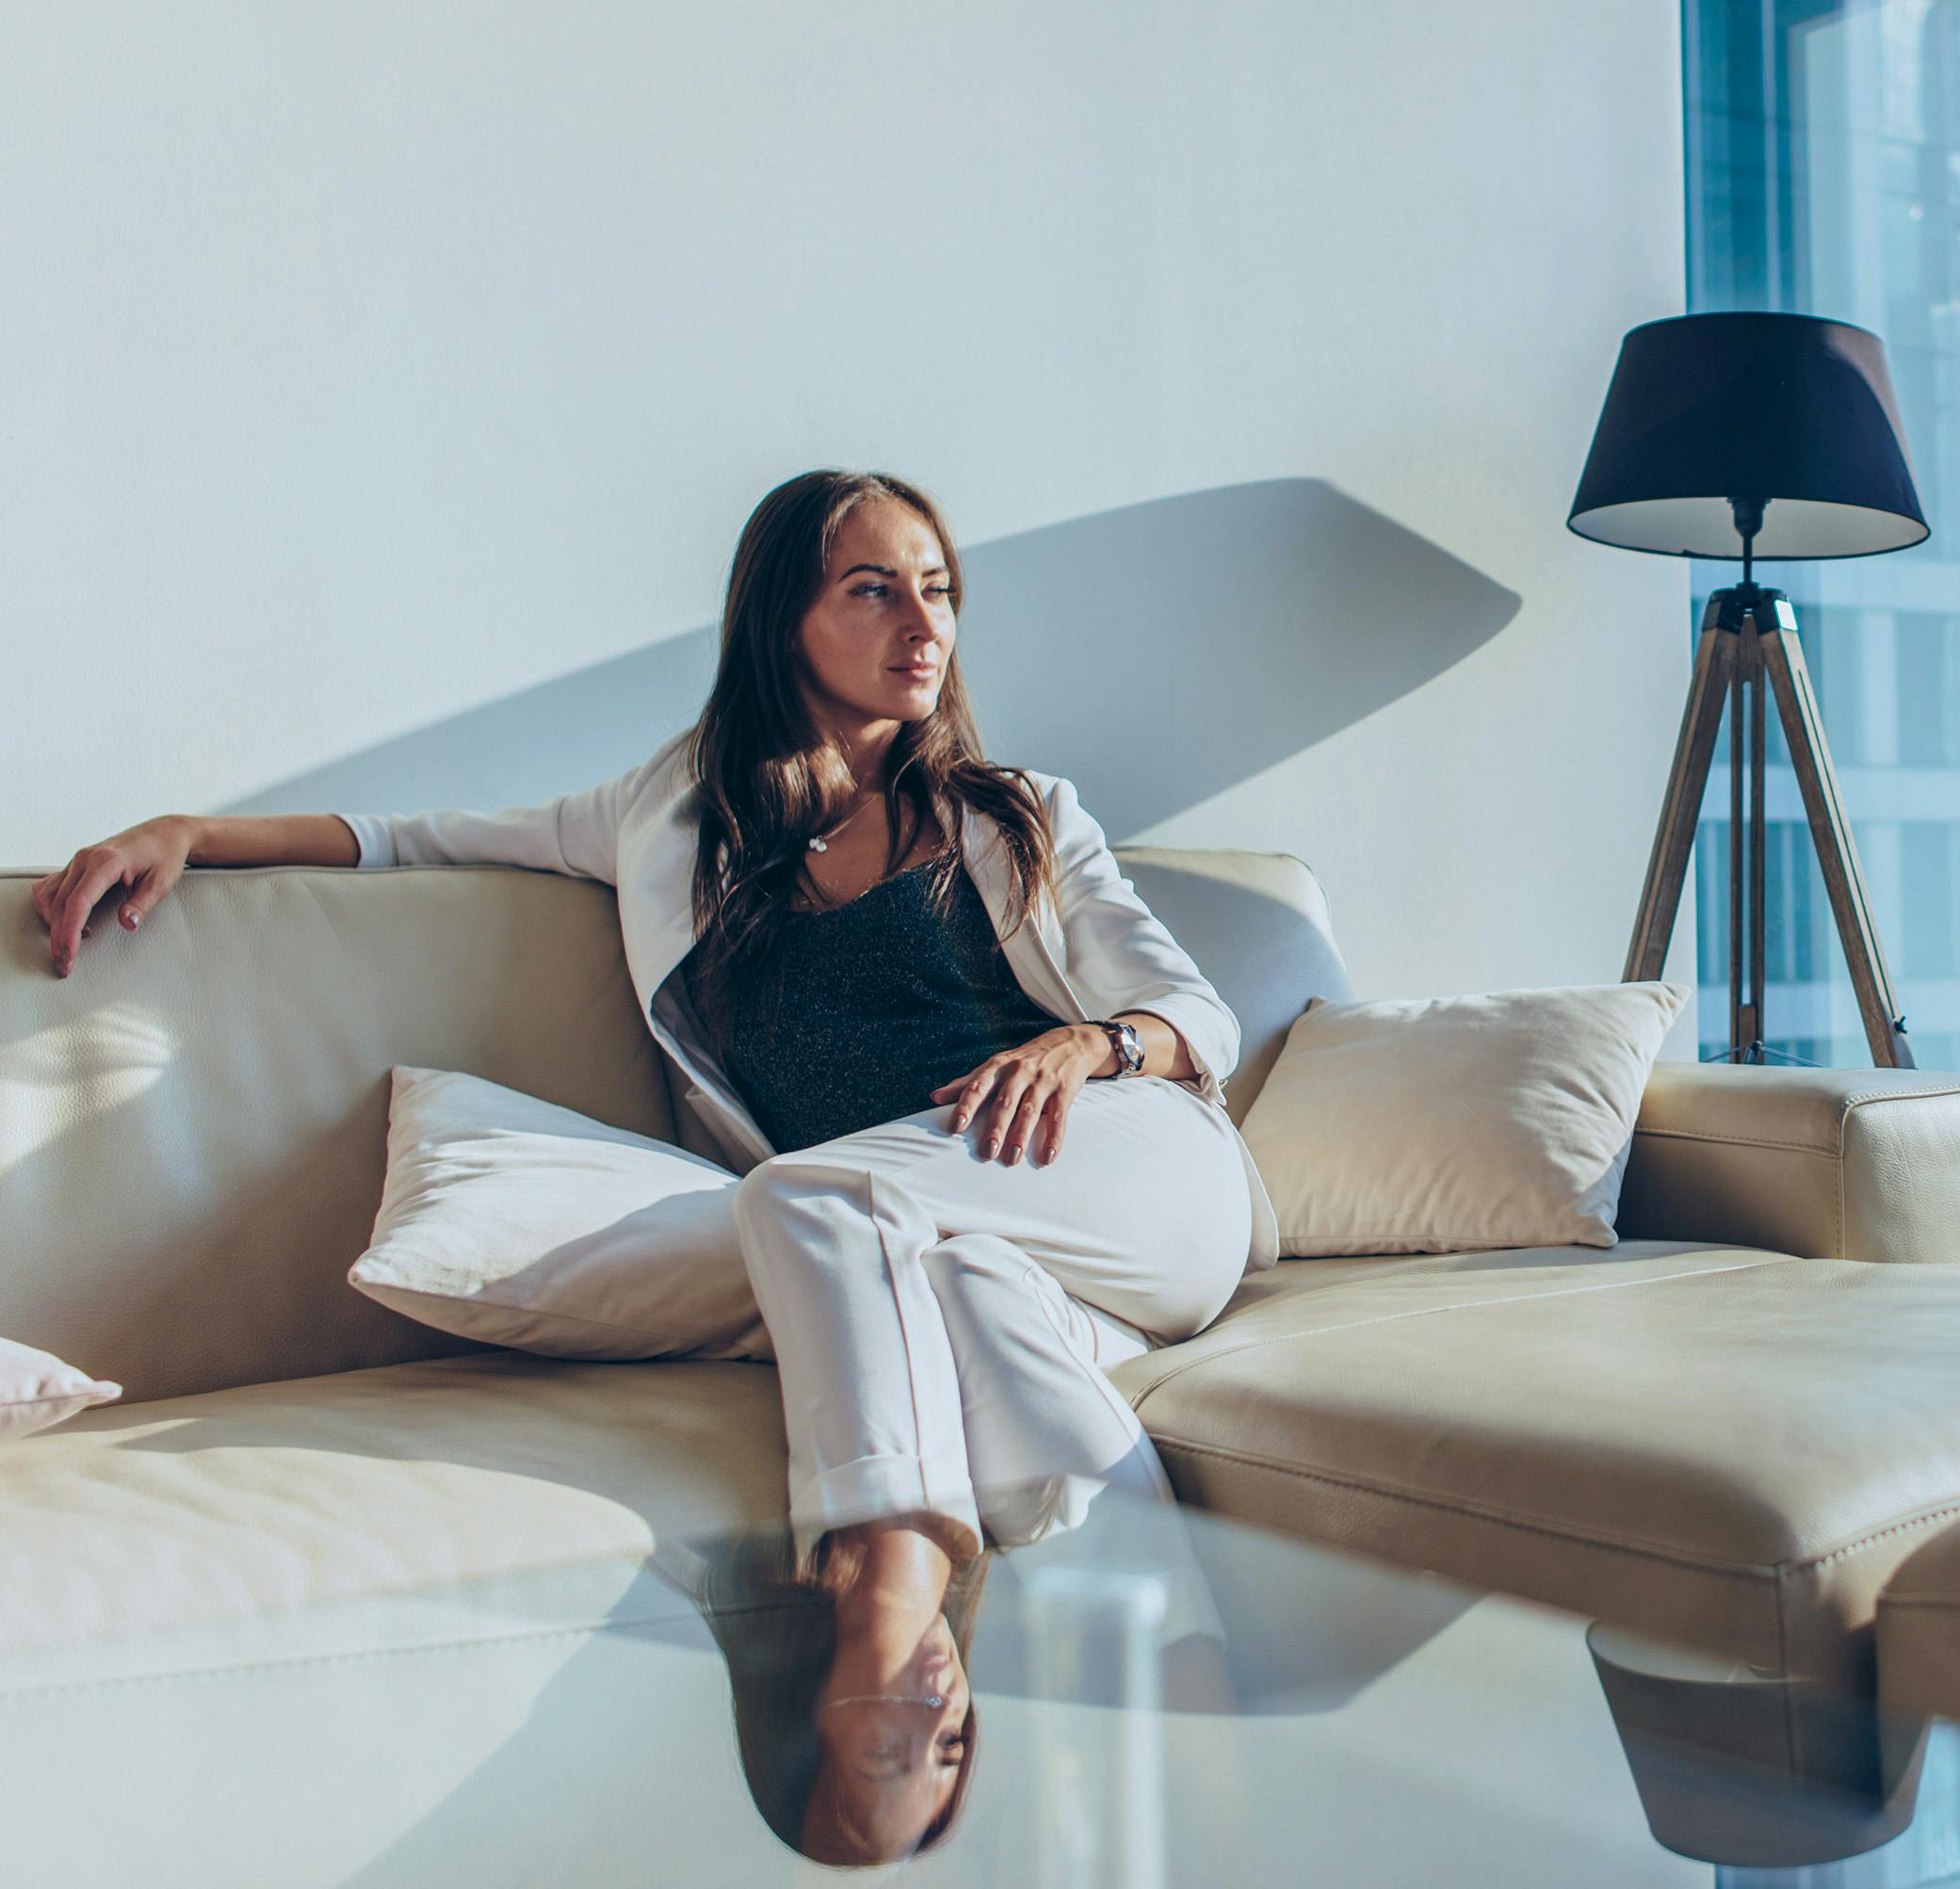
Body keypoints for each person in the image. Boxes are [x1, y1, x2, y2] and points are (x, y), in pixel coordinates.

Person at [27, 467, 1274, 1864]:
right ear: (780, 619)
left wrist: (1091, 1050)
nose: (922, 626)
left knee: (803, 1191)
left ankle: (883, 1592)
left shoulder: (1019, 812)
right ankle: (1182, 1679)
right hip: (939, 1247)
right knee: (955, 1292)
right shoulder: (672, 822)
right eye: (873, 589)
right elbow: (413, 835)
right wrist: (187, 830)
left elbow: (1200, 1019)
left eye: (937, 591)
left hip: (1125, 1174)